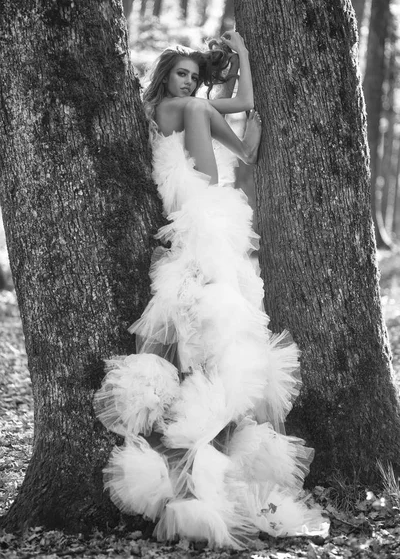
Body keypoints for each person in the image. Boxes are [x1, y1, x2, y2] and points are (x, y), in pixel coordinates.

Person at [94, 32, 329, 549]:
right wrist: (243, 52)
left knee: (198, 337)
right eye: (182, 73)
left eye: (195, 78)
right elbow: (242, 111)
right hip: (202, 216)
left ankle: (195, 463)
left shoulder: (156, 108)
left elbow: (235, 108)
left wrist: (235, 67)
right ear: (167, 76)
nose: (190, 83)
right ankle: (206, 451)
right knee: (217, 328)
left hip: (187, 220)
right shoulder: (187, 108)